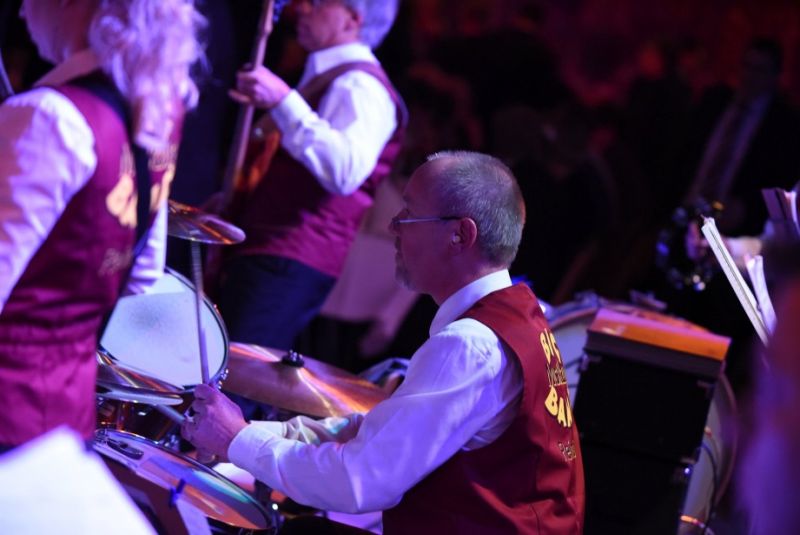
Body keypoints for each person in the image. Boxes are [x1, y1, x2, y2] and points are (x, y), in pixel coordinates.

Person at [183, 151, 585, 534]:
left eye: (409, 213)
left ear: (460, 235)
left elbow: (359, 481)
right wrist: (250, 432)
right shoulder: (519, 317)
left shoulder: (471, 346)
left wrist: (237, 440)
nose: (393, 226)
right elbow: (383, 430)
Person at [0, 0, 204, 448]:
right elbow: (142, 271)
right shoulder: (156, 108)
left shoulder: (47, 115)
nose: (21, 11)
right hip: (65, 414)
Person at [216, 0, 406, 352]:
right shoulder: (330, 77)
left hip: (291, 257)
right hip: (270, 249)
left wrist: (283, 101)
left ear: (352, 20)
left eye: (317, 2)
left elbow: (344, 171)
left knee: (238, 371)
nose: (301, 8)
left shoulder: (362, 86)